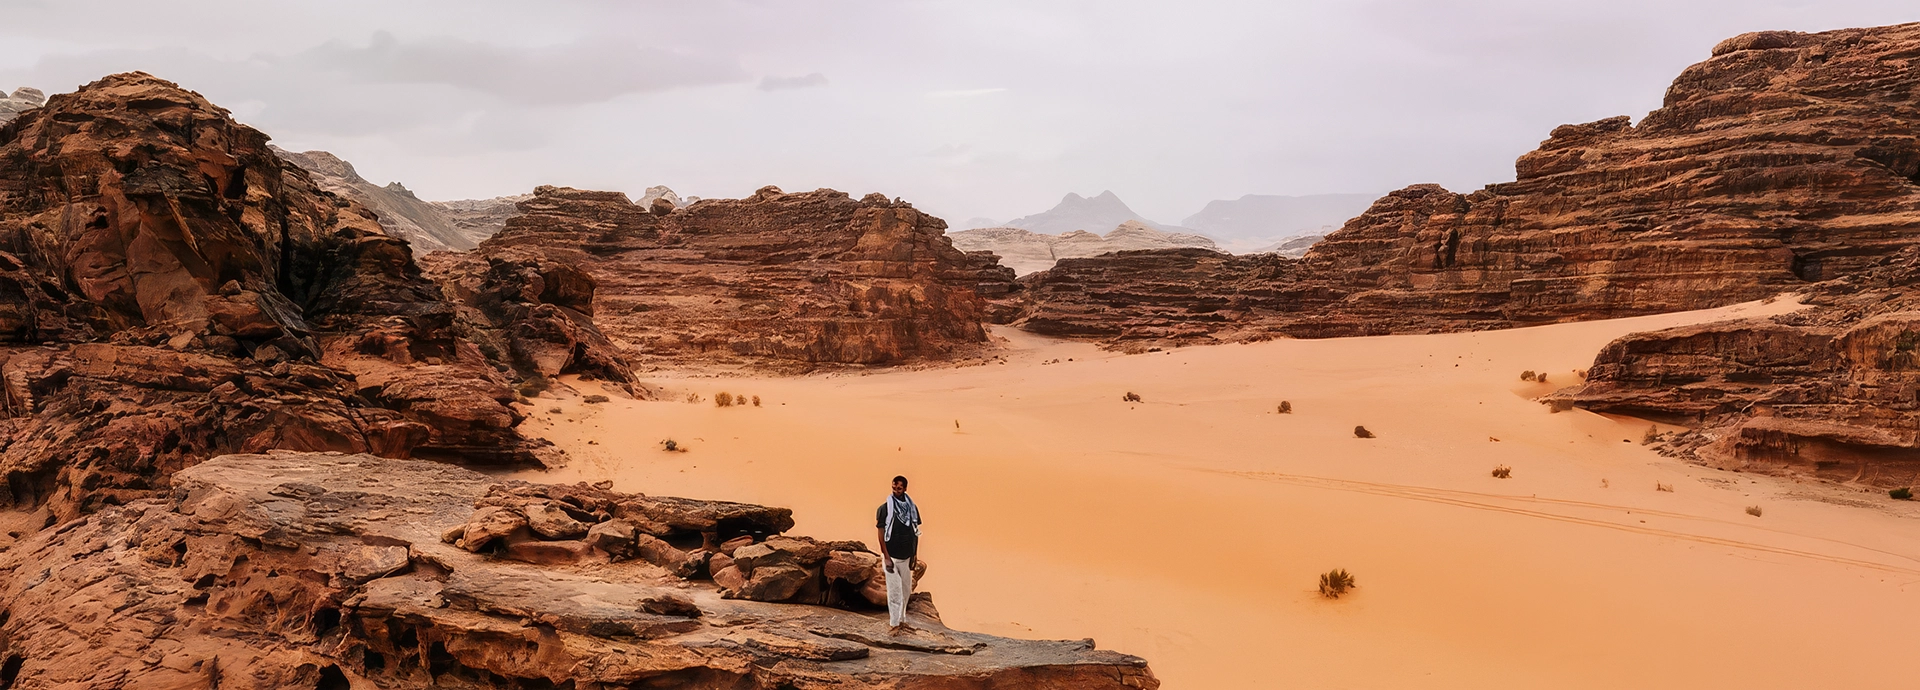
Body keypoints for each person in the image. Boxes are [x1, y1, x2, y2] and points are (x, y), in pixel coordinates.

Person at [875, 474, 922, 633]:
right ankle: (894, 624)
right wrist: (886, 557)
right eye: (894, 488)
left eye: (899, 488)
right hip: (892, 557)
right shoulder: (885, 509)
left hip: (906, 556)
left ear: (905, 488)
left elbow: (915, 532)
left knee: (906, 590)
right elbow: (881, 533)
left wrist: (914, 555)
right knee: (894, 591)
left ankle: (902, 620)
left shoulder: (912, 509)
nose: (896, 491)